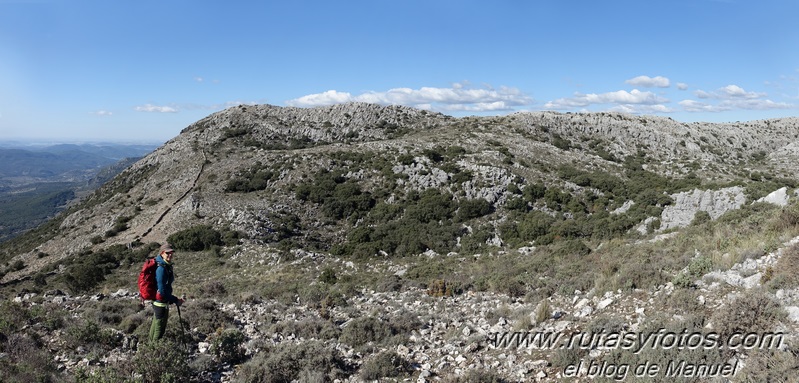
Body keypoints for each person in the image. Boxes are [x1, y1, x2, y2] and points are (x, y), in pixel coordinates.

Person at [149, 242, 185, 342]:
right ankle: (153, 351)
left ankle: (148, 348)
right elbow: (162, 291)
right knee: (159, 331)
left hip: (159, 302)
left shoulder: (165, 265)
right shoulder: (161, 268)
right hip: (160, 304)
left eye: (171, 253)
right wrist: (175, 300)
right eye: (167, 253)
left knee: (155, 327)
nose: (170, 255)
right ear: (162, 253)